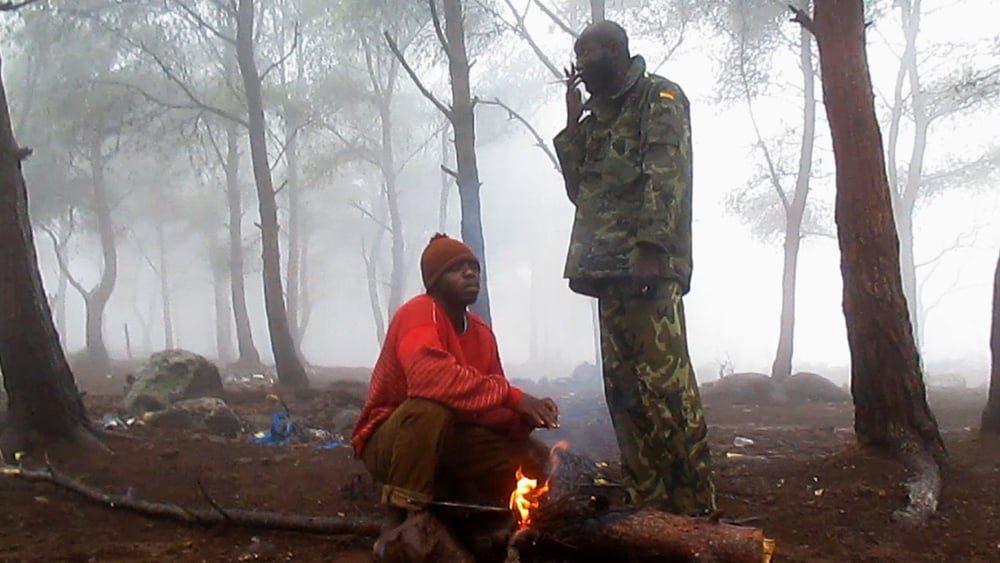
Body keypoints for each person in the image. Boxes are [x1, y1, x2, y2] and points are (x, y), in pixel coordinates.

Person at [551, 20, 716, 516]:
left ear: (618, 51)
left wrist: (650, 248)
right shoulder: (596, 117)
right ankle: (649, 499)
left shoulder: (659, 98)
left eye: (590, 52)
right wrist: (573, 121)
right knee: (623, 391)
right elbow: (580, 189)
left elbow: (667, 176)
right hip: (605, 271)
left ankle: (693, 502)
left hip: (647, 267)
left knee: (665, 387)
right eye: (577, 54)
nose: (581, 62)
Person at [351, 233, 560, 538]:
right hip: (391, 444)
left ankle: (484, 515)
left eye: (473, 267)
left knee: (532, 456)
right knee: (431, 407)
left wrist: (523, 419)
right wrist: (513, 396)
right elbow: (430, 379)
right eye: (456, 268)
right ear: (434, 282)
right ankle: (400, 519)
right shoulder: (419, 312)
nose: (469, 273)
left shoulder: (482, 333)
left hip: (450, 440)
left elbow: (487, 407)